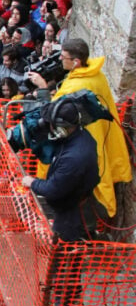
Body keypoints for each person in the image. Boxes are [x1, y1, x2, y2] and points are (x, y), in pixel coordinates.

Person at [28, 36, 131, 219]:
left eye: (63, 57)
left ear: (76, 61)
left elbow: (53, 115)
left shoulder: (78, 85)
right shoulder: (95, 75)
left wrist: (43, 88)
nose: (60, 60)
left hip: (79, 146)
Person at [22, 98, 101, 241]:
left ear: (62, 129)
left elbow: (53, 189)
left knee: (61, 247)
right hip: (72, 198)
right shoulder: (79, 137)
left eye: (51, 125)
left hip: (70, 210)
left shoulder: (74, 159)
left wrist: (32, 182)